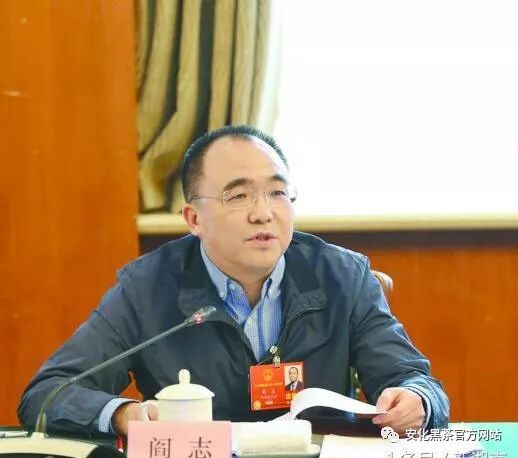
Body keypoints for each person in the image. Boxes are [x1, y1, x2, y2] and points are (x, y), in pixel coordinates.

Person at [18, 125, 449, 437]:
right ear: (194, 219)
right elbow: (48, 394)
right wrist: (122, 414)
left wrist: (416, 402)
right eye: (239, 195)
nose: (263, 213)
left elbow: (417, 381)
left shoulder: (344, 277)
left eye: (277, 193)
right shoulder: (146, 288)